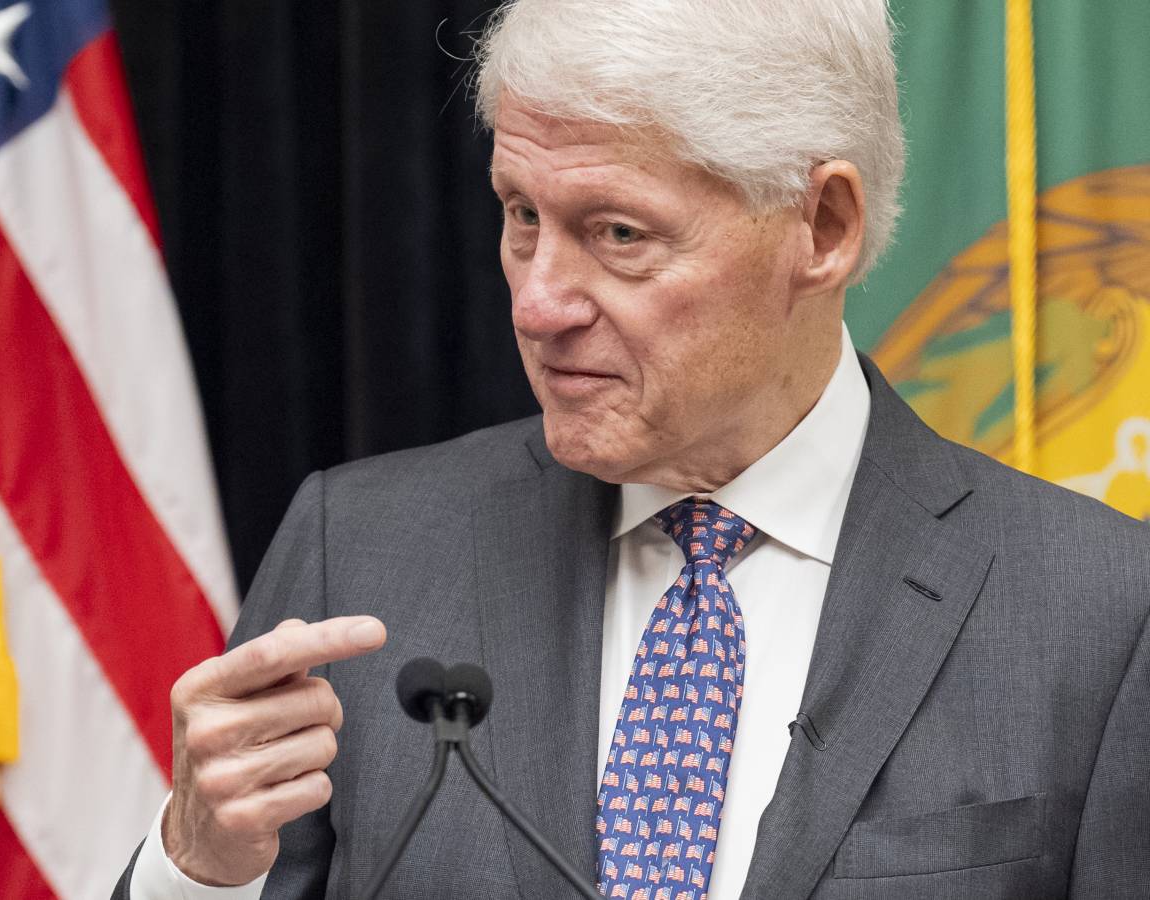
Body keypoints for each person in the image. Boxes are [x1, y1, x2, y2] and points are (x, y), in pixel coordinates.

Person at [115, 1, 1150, 898]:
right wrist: (200, 867)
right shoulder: (360, 551)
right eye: (523, 215)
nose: (538, 303)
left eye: (619, 234)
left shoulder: (1098, 614)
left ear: (824, 227)